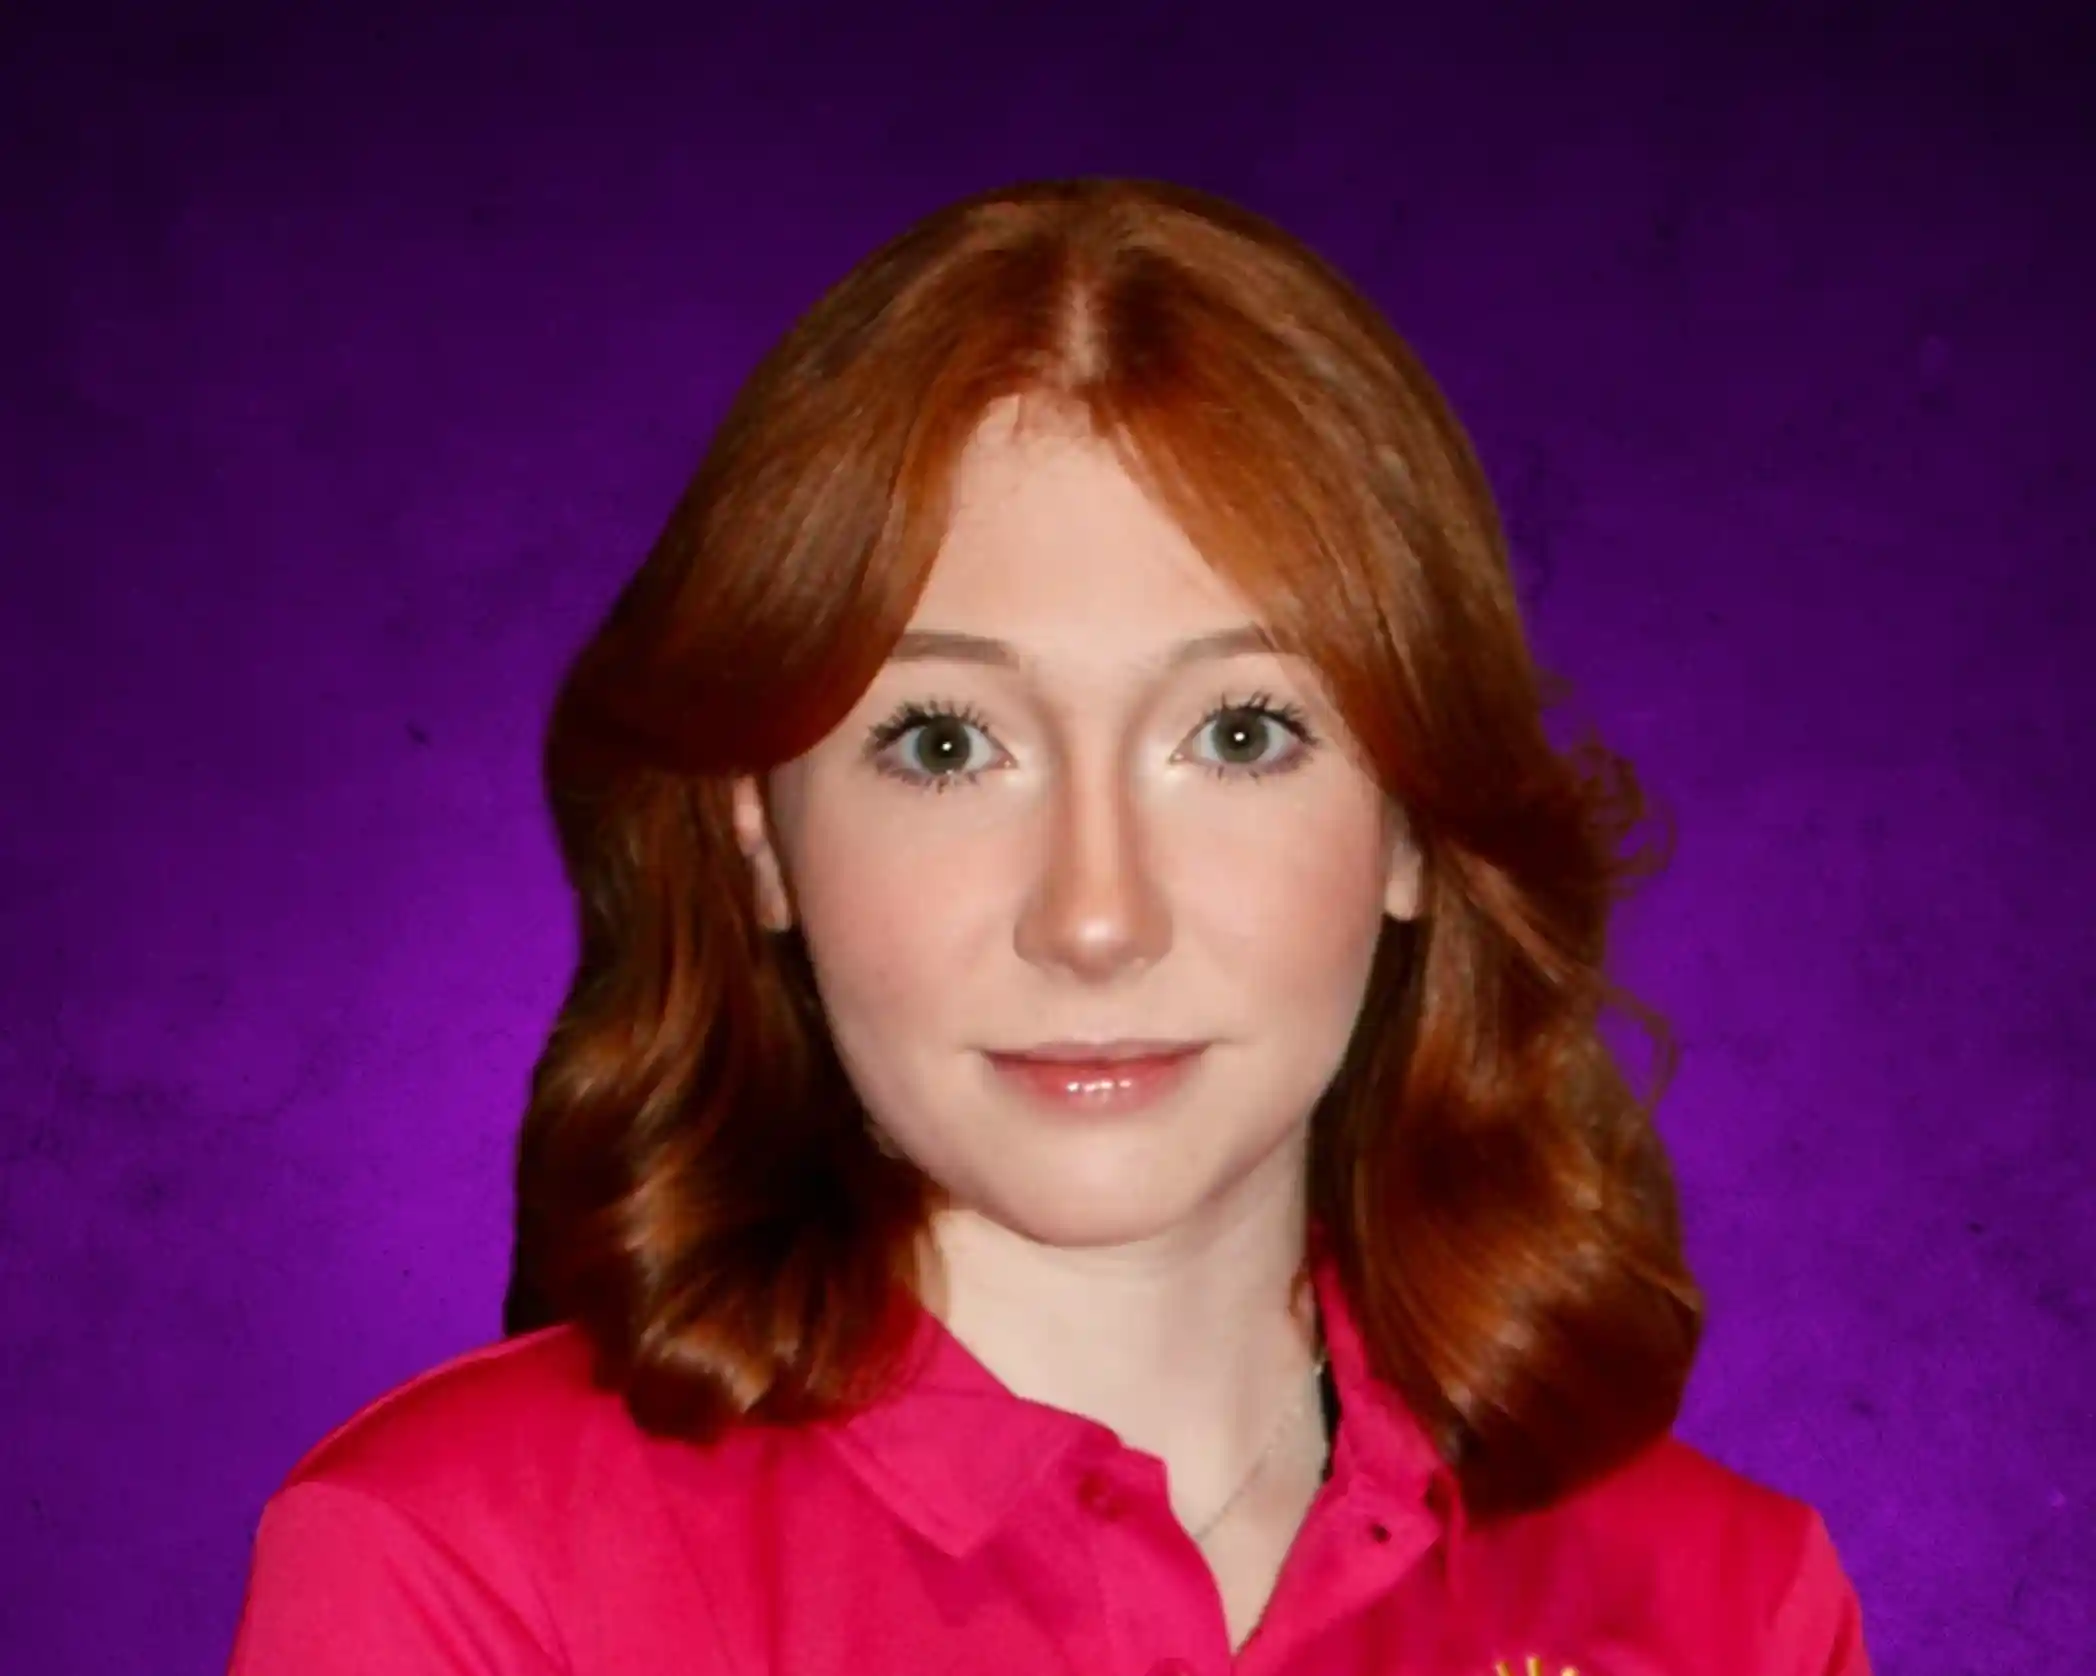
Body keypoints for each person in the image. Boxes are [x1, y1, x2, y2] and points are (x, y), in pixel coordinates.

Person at [226, 176, 1871, 1673]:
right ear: (758, 840)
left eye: (1239, 735)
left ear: (1416, 828)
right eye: (946, 744)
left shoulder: (1729, 1606)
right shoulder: (458, 1574)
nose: (1096, 920)